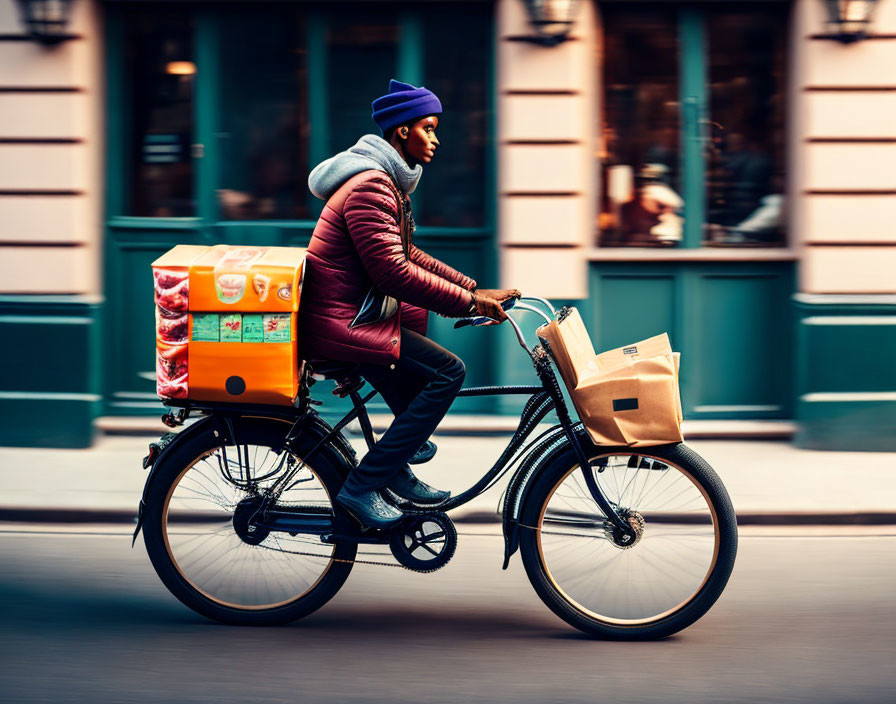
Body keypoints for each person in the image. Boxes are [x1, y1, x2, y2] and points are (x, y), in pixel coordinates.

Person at [299, 79, 519, 529]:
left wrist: (475, 288)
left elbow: (407, 254)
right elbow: (393, 273)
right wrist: (468, 304)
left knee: (417, 355)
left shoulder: (386, 184)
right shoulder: (371, 187)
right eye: (429, 128)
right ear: (402, 132)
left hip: (354, 316)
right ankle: (363, 487)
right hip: (343, 323)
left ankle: (394, 464)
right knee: (448, 371)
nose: (436, 139)